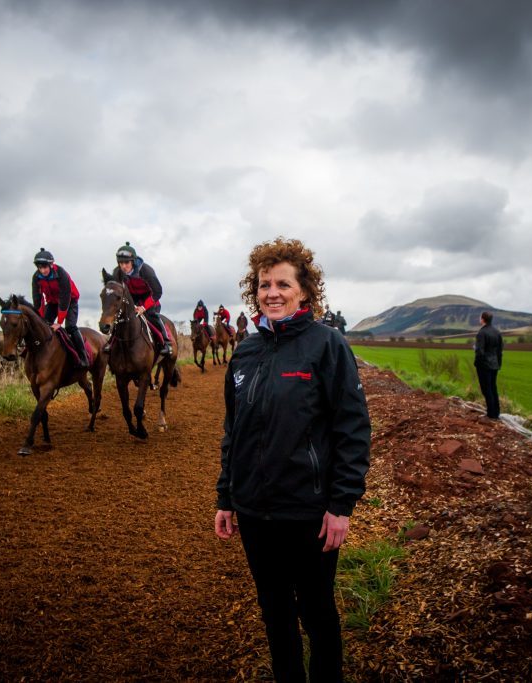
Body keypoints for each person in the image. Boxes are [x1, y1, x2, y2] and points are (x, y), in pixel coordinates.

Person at [214, 237, 371, 683]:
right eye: (264, 285)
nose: (272, 293)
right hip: (253, 509)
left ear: (304, 291)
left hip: (309, 510)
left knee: (318, 613)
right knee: (274, 613)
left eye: (283, 283)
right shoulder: (245, 351)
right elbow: (234, 431)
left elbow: (352, 429)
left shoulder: (326, 346)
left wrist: (341, 505)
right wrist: (226, 497)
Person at [31, 247, 88, 368]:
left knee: (70, 327)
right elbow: (38, 300)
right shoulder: (36, 277)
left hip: (70, 300)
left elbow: (64, 298)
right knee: (43, 326)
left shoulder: (61, 274)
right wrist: (40, 318)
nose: (43, 270)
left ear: (51, 265)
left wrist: (59, 322)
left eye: (45, 267)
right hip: (52, 302)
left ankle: (83, 357)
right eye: (40, 268)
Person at [112, 242, 171, 355]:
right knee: (119, 317)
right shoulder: (117, 272)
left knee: (152, 316)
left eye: (126, 263)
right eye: (120, 263)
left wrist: (143, 307)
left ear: (133, 261)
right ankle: (112, 342)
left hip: (149, 299)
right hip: (132, 299)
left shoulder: (146, 271)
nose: (123, 266)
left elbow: (158, 291)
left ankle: (166, 343)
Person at [474, 310, 504, 419]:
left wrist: (477, 364)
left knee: (486, 389)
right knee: (493, 388)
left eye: (480, 317)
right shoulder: (497, 332)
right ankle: (496, 413)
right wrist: (499, 364)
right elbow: (500, 351)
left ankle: (491, 415)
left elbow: (480, 352)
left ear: (483, 319)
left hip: (484, 366)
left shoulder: (481, 333)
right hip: (494, 364)